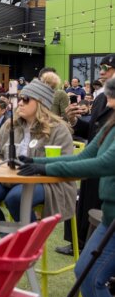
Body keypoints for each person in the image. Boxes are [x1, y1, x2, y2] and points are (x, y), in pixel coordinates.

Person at [18, 76, 115, 297]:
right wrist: (38, 163)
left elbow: (102, 164)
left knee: (90, 277)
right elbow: (85, 156)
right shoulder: (111, 125)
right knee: (86, 271)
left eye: (111, 97)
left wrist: (44, 169)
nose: (108, 103)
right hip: (109, 217)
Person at [0, 78, 75, 223]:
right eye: (19, 98)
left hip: (45, 181)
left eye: (26, 99)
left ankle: (31, 242)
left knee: (16, 198)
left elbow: (65, 162)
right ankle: (7, 237)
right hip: (7, 178)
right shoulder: (10, 124)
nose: (20, 103)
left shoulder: (58, 129)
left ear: (41, 103)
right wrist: (0, 168)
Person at [62, 53, 115, 252]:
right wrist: (75, 121)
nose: (101, 72)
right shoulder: (103, 96)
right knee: (81, 200)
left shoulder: (106, 96)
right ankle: (80, 243)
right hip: (95, 161)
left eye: (107, 68)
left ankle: (90, 246)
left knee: (96, 206)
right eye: (100, 67)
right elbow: (93, 130)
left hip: (105, 165)